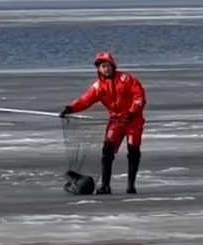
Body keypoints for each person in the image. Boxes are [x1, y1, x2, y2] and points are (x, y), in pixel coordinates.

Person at [60, 51, 147, 194]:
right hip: (115, 121)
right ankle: (105, 186)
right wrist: (71, 108)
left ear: (113, 66)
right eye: (102, 66)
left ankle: (131, 186)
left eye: (108, 65)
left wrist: (132, 112)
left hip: (133, 120)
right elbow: (85, 100)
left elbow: (139, 96)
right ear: (99, 69)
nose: (106, 69)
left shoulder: (127, 80)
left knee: (133, 152)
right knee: (107, 152)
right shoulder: (99, 86)